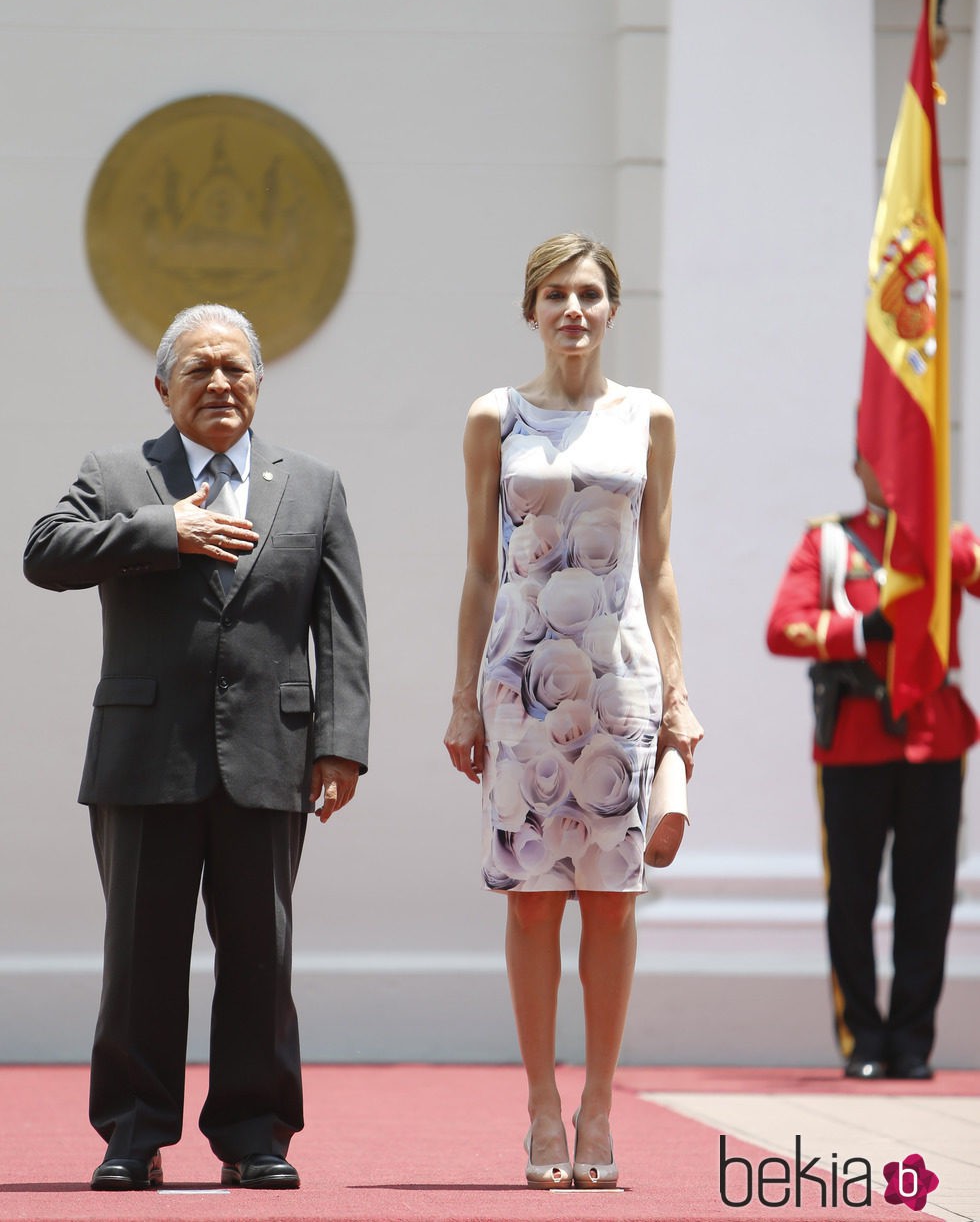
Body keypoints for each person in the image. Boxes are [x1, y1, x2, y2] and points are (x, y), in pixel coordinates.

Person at [24, 304, 370, 1190]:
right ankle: (132, 1137)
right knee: (141, 955)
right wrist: (161, 530)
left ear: (258, 382)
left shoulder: (315, 485)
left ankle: (255, 1137)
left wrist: (339, 746)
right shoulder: (117, 473)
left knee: (261, 953)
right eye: (200, 370)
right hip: (145, 755)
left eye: (236, 370)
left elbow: (341, 628)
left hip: (271, 754)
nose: (220, 384)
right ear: (163, 387)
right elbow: (45, 552)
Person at [444, 234, 702, 1189]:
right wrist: (463, 696)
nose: (574, 310)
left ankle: (599, 1103)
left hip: (620, 683)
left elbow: (660, 566)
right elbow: (477, 567)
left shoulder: (647, 418)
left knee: (613, 902)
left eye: (590, 293)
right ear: (532, 310)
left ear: (612, 308)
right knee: (530, 904)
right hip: (520, 681)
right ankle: (541, 1109)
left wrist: (678, 694)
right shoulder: (494, 418)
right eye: (556, 294)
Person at [766, 450, 979, 1080]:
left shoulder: (949, 537)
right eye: (877, 457)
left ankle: (912, 1042)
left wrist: (940, 542)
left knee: (928, 897)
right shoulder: (829, 541)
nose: (889, 470)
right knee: (851, 897)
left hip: (932, 739)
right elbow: (783, 627)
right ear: (859, 465)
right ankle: (862, 1038)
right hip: (855, 738)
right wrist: (862, 631)